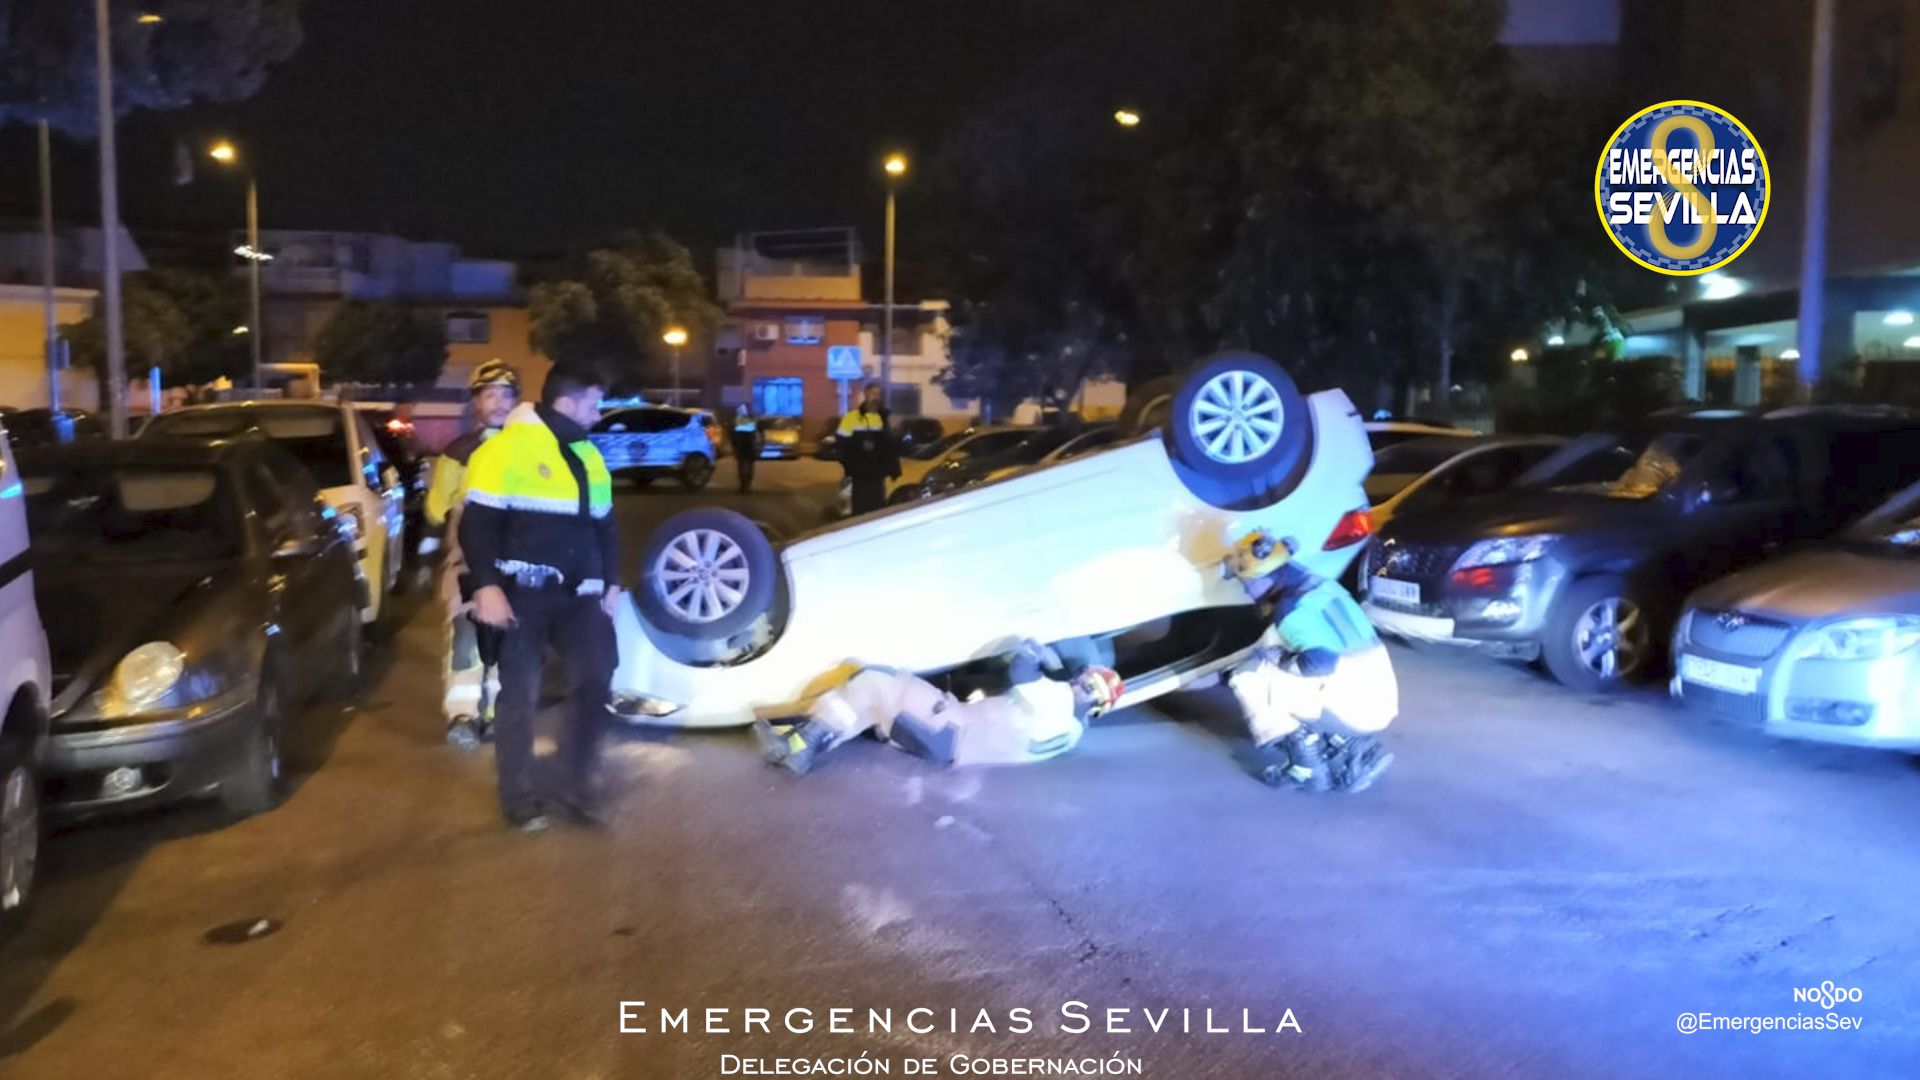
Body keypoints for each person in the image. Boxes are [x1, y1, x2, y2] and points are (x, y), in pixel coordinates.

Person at [460, 361, 623, 833]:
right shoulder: (504, 449)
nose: (598, 413)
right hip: (521, 594)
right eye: (593, 404)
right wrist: (487, 586)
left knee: (596, 677)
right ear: (566, 403)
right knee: (520, 695)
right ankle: (518, 796)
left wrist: (612, 582)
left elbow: (605, 524)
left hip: (581, 597)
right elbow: (479, 525)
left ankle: (576, 784)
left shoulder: (588, 454)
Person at [752, 641, 1123, 774]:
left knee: (873, 678)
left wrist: (1041, 652)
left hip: (950, 728)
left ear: (1093, 702)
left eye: (1087, 685)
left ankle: (801, 748)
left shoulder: (1056, 701)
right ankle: (798, 742)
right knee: (872, 704)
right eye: (1084, 679)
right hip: (951, 748)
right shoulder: (1071, 734)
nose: (1078, 684)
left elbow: (1022, 666)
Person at [1222, 530, 1397, 793]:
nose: (1246, 589)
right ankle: (1346, 743)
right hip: (1379, 699)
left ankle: (1306, 766)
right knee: (1275, 651)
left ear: (1264, 578)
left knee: (1247, 676)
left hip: (1353, 709)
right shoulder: (1324, 587)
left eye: (1246, 581)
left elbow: (1320, 663)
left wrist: (1281, 661)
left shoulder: (1291, 610)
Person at [425, 360, 521, 751]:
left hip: (514, 559)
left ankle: (498, 712)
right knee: (466, 634)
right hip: (466, 560)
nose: (498, 402)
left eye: (506, 395)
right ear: (476, 403)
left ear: (517, 401)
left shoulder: (528, 451)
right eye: (489, 394)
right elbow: (435, 508)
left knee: (508, 636)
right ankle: (463, 713)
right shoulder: (458, 452)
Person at [836, 382, 900, 515]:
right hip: (860, 475)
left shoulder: (885, 418)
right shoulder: (851, 417)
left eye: (878, 394)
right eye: (872, 394)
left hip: (878, 476)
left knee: (877, 510)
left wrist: (894, 468)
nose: (875, 397)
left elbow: (891, 446)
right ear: (865, 394)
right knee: (860, 509)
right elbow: (841, 443)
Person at [730, 405, 763, 493]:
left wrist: (734, 447)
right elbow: (756, 435)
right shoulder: (751, 421)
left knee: (742, 466)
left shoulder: (737, 422)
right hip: (750, 447)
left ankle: (743, 485)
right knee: (749, 466)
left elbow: (733, 436)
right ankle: (747, 485)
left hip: (741, 447)